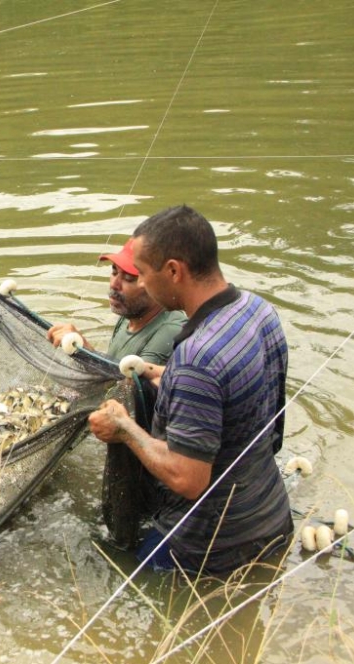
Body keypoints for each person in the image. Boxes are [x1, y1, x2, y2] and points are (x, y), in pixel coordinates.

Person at [88, 205, 292, 574]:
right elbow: (233, 396)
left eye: (145, 274)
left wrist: (124, 428)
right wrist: (154, 371)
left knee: (108, 567)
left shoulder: (196, 358)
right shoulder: (257, 310)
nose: (144, 284)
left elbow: (188, 478)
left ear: (173, 271)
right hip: (272, 518)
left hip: (206, 550)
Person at [46, 238, 186, 365]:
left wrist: (83, 350)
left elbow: (128, 390)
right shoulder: (130, 313)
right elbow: (113, 375)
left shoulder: (171, 331)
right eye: (114, 272)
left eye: (129, 278)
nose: (114, 284)